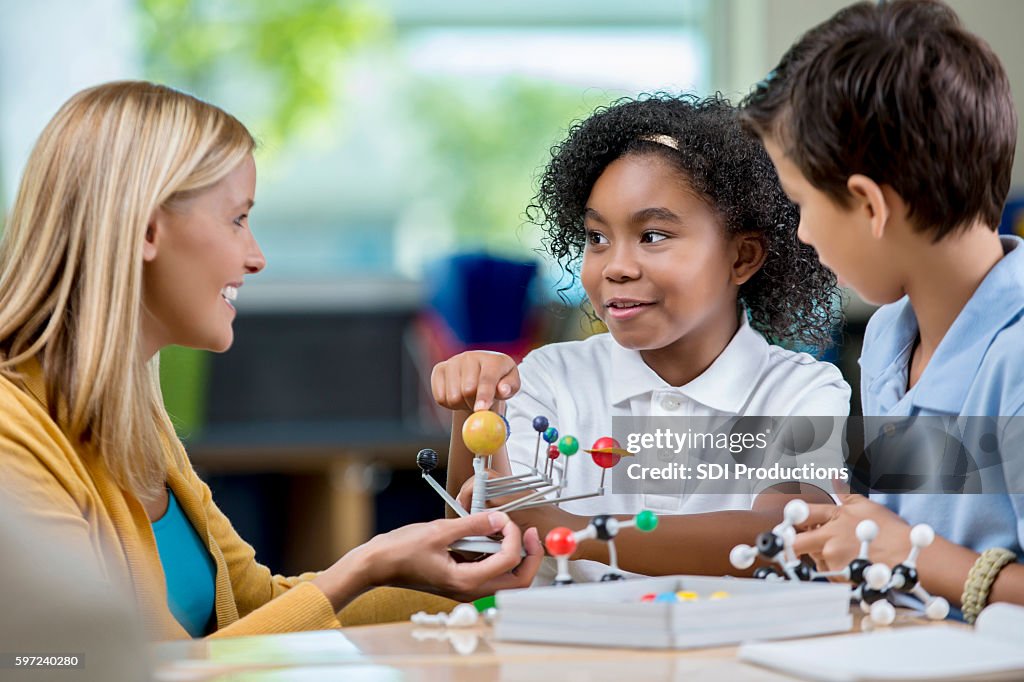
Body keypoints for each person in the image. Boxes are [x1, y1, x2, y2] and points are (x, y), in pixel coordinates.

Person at [0, 80, 541, 640]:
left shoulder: (137, 426)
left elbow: (254, 606)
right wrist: (364, 565)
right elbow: (97, 670)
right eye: (237, 219)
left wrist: (431, 573)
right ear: (146, 229)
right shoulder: (9, 438)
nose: (256, 257)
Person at [433, 94, 850, 582]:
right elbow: (472, 563)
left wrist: (569, 527)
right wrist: (474, 410)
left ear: (742, 257)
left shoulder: (803, 390)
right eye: (597, 237)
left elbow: (785, 536)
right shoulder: (546, 380)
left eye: (652, 236)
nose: (617, 267)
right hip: (562, 656)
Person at [740, 0, 1023, 620]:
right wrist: (855, 534)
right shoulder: (890, 335)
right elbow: (902, 539)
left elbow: (917, 553)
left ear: (869, 204)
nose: (804, 235)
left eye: (801, 204)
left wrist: (911, 555)